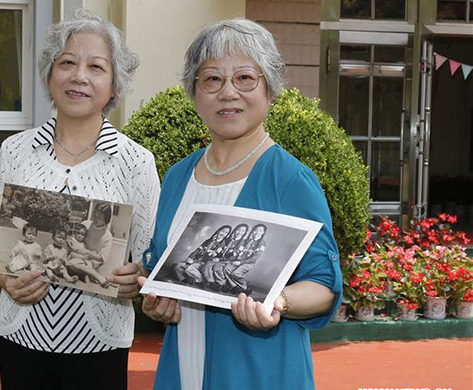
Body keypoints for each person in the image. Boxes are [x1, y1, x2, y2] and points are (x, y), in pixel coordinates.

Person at [138, 18, 342, 389]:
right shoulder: (177, 177)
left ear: (270, 89)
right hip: (183, 366)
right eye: (212, 79)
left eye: (245, 78)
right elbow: (163, 269)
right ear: (195, 91)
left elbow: (324, 285)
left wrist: (278, 301)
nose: (228, 92)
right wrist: (158, 303)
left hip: (258, 372)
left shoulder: (290, 180)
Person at [0, 9, 160, 390]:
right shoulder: (15, 151)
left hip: (98, 343)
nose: (79, 76)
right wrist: (0, 274)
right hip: (20, 337)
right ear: (49, 74)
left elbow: (150, 254)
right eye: (67, 63)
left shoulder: (136, 162)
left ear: (114, 85)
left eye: (96, 67)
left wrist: (136, 278)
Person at [225, 223, 268, 293]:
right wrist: (232, 252)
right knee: (226, 268)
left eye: (260, 231)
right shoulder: (246, 240)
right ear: (252, 231)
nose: (257, 232)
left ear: (263, 232)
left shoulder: (262, 243)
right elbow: (238, 250)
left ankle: (245, 287)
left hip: (248, 263)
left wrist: (241, 262)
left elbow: (255, 257)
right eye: (255, 230)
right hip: (239, 261)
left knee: (235, 274)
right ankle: (235, 286)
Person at [67, 220, 110, 287]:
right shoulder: (72, 241)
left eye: (82, 234)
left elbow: (87, 254)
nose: (80, 236)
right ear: (74, 233)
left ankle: (87, 275)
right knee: (74, 263)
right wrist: (83, 257)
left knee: (89, 263)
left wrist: (89, 255)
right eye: (78, 233)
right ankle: (99, 277)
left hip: (83, 263)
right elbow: (73, 253)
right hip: (73, 264)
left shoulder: (84, 244)